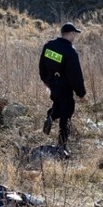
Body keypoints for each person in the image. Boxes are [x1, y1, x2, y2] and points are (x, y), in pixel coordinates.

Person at [39, 22, 86, 152]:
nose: (74, 37)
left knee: (57, 104)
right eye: (74, 34)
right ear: (70, 34)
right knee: (66, 114)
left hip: (52, 84)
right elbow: (75, 75)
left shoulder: (49, 46)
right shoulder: (70, 52)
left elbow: (42, 65)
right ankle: (62, 145)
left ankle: (51, 116)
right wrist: (81, 93)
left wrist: (45, 79)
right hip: (65, 87)